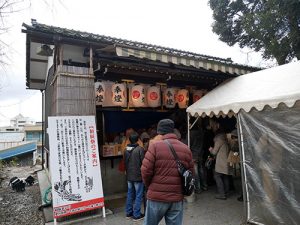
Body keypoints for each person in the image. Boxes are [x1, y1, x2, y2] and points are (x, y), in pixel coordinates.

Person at [141, 119, 194, 225]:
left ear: (159, 132)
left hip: (156, 197)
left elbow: (145, 170)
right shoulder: (185, 149)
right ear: (172, 131)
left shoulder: (155, 147)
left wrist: (149, 186)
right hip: (176, 197)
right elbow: (191, 173)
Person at [124, 132, 145, 221]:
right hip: (138, 176)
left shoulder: (126, 149)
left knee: (130, 194)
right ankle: (136, 215)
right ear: (138, 140)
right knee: (138, 195)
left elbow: (125, 163)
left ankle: (129, 213)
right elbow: (144, 163)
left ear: (129, 140)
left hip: (129, 175)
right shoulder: (140, 149)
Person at [209, 119, 230, 200]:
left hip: (221, 161)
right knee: (225, 176)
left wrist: (211, 149)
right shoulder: (225, 138)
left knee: (217, 176)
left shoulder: (219, 139)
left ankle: (222, 194)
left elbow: (214, 152)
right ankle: (226, 192)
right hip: (226, 160)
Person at [189, 119, 204, 193]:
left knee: (196, 172)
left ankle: (198, 188)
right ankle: (204, 185)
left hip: (194, 155)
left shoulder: (190, 133)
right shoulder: (201, 133)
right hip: (201, 153)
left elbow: (187, 145)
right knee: (201, 170)